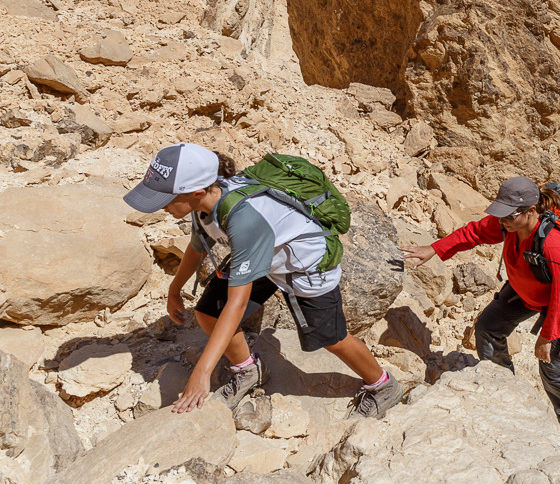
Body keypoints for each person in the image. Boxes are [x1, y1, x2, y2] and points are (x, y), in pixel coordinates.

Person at [123, 142, 403, 418]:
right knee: (209, 313)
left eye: (165, 199)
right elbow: (197, 248)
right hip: (264, 255)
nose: (160, 207)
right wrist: (174, 290)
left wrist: (202, 373)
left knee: (331, 338)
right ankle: (247, 370)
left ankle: (383, 385)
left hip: (304, 265)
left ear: (196, 192)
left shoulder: (243, 219)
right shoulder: (202, 206)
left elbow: (238, 302)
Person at [401, 177, 560, 442]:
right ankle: (503, 385)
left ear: (531, 211)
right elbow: (473, 233)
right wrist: (434, 248)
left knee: (553, 365)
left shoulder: (553, 244)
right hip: (528, 289)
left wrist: (547, 336)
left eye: (508, 215)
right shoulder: (508, 225)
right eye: (500, 214)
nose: (502, 220)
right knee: (488, 329)